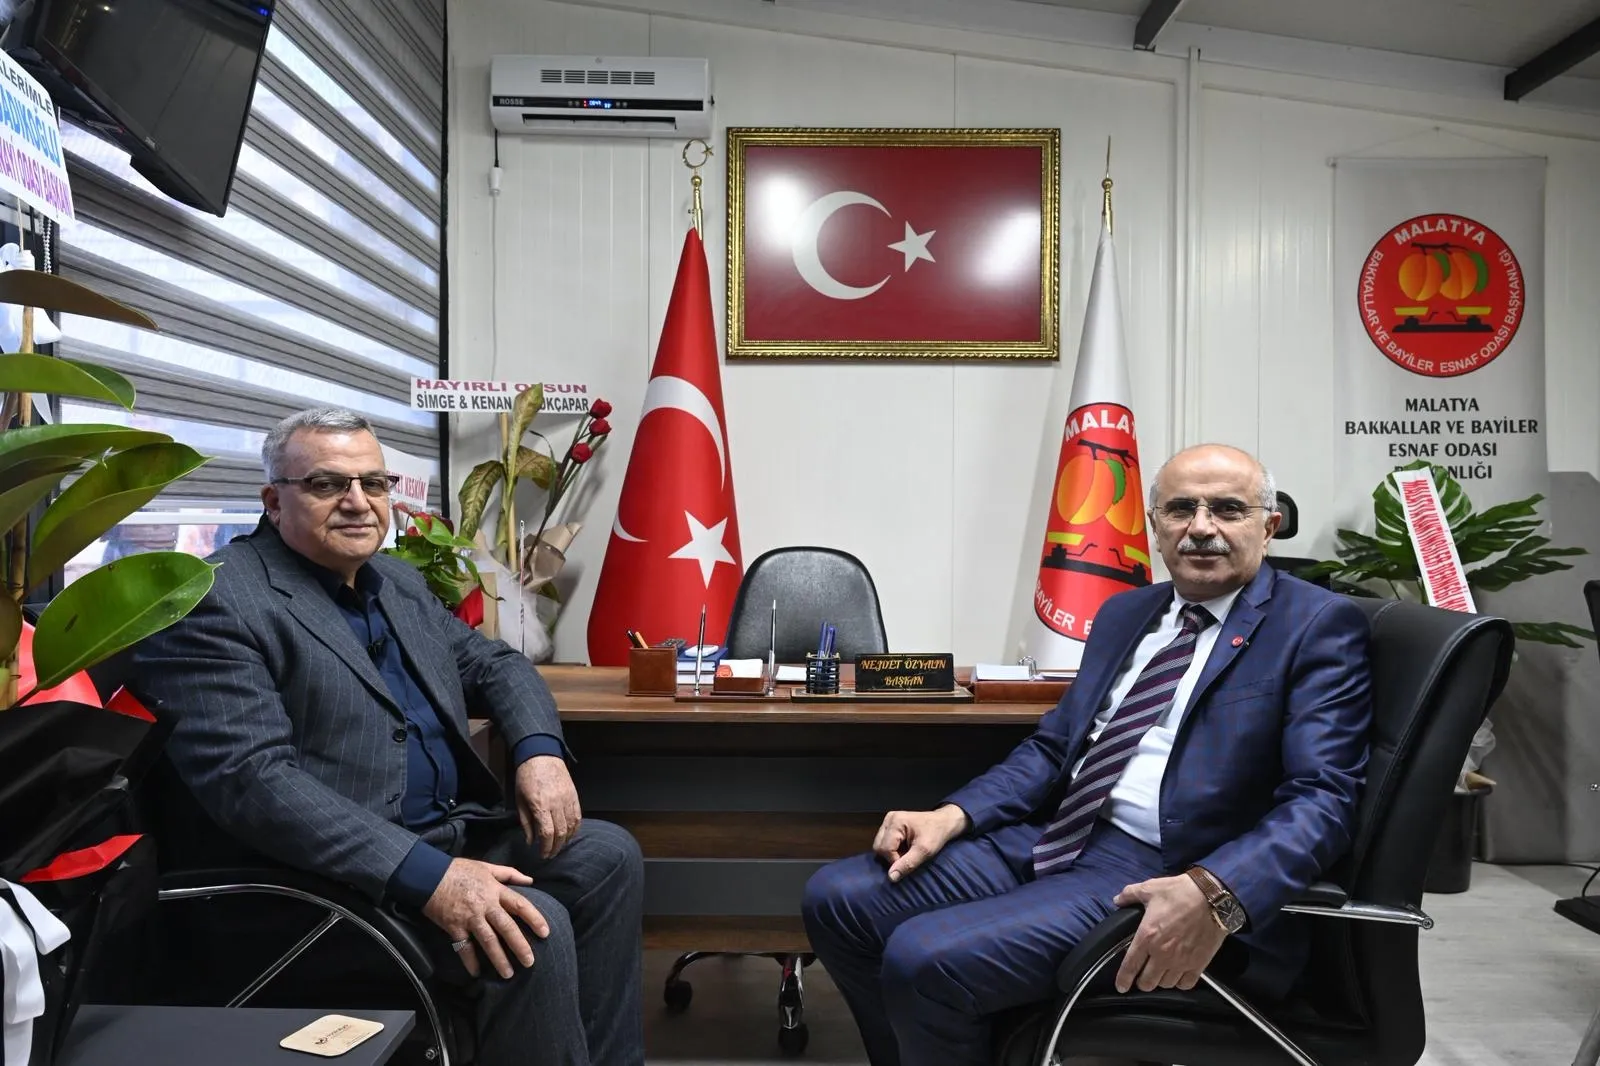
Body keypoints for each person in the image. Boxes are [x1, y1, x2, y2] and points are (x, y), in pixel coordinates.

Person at [802, 443, 1372, 1066]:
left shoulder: (1315, 624)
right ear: (1154, 525)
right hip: (1061, 834)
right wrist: (952, 815)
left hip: (1166, 867)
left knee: (924, 957)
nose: (1201, 527)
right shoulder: (1127, 611)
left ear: (1269, 525)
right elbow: (1054, 747)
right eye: (1181, 508)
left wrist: (1216, 890)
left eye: (1228, 509)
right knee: (839, 898)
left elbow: (1323, 798)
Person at [133, 408, 644, 1066]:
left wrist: (538, 753)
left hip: (445, 834)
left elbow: (496, 665)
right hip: (326, 885)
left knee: (606, 856)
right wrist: (432, 878)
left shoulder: (395, 582)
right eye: (327, 484)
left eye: (373, 483)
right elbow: (254, 783)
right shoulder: (218, 600)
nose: (358, 502)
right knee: (532, 929)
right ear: (273, 501)